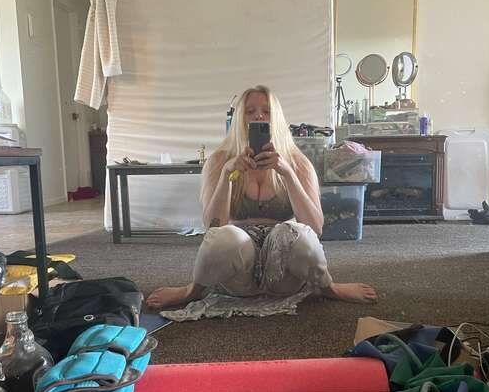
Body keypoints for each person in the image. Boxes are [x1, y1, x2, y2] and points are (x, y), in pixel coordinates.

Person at [146, 85, 377, 310]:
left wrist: (288, 173)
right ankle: (192, 291)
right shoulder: (219, 162)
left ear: (277, 119)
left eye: (267, 111)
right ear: (239, 120)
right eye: (250, 111)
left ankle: (329, 288)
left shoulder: (298, 163)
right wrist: (227, 175)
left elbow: (315, 228)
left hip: (283, 272)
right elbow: (212, 228)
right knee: (223, 238)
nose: (258, 116)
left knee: (296, 234)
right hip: (239, 271)